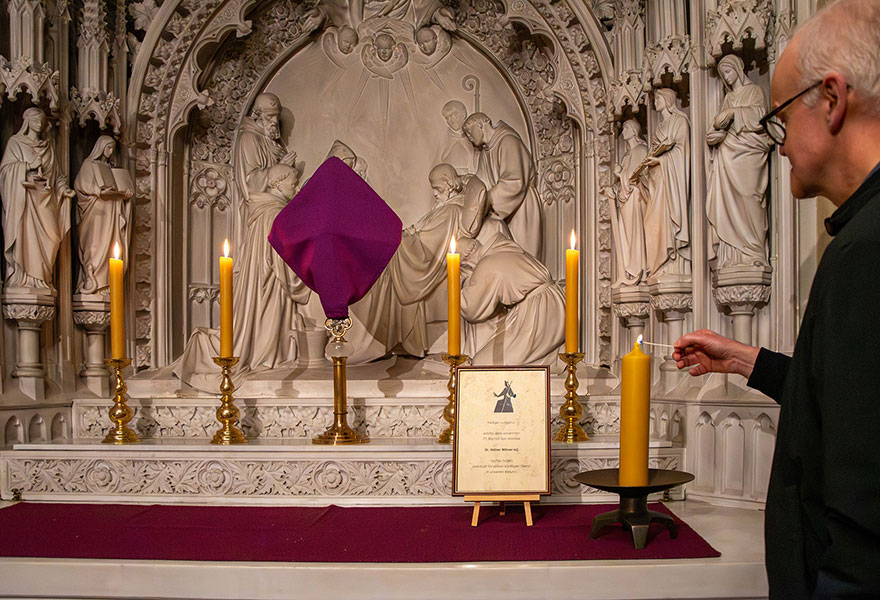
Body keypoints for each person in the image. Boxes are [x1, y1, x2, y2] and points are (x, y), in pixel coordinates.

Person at [673, 1, 880, 597]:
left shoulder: (868, 253)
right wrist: (742, 360)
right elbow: (844, 403)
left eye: (782, 117)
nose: (777, 143)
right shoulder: (861, 236)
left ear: (834, 99)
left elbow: (866, 516)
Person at [706, 54, 774, 269]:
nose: (727, 77)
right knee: (728, 202)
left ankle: (755, 250)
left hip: (748, 154)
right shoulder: (728, 97)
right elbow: (720, 126)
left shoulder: (755, 90)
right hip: (727, 155)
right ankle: (732, 255)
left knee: (749, 196)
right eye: (723, 74)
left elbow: (761, 116)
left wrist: (734, 113)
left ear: (738, 69)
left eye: (728, 71)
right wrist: (715, 136)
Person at [458, 233, 564, 365]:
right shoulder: (504, 249)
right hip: (552, 302)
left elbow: (472, 309)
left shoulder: (488, 264)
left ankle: (556, 359)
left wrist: (460, 283)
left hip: (540, 314)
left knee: (483, 364)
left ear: (466, 262)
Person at [0, 107, 75, 289]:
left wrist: (64, 190)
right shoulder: (15, 143)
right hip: (25, 201)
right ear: (27, 122)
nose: (39, 124)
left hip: (46, 200)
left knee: (53, 236)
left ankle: (43, 279)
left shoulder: (47, 147)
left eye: (41, 120)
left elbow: (57, 176)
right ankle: (23, 279)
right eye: (35, 120)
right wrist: (26, 166)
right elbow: (5, 171)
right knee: (25, 237)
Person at [463, 112, 544, 260]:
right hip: (501, 211)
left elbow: (514, 181)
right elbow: (482, 182)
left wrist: (486, 202)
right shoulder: (486, 152)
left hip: (520, 206)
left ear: (481, 124)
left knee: (522, 258)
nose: (469, 137)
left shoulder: (508, 141)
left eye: (469, 131)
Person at [636, 88, 690, 278]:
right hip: (657, 181)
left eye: (657, 98)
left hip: (671, 183)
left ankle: (672, 262)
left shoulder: (680, 121)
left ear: (667, 100)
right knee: (652, 223)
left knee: (666, 222)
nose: (655, 102)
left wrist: (661, 160)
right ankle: (658, 264)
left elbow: (683, 153)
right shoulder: (659, 128)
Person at [74, 136, 133, 294]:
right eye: (107, 147)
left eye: (112, 148)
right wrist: (98, 191)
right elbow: (80, 185)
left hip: (112, 210)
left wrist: (125, 194)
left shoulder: (111, 168)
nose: (110, 151)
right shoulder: (89, 164)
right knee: (94, 245)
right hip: (96, 211)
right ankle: (92, 280)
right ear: (100, 147)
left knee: (111, 245)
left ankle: (105, 285)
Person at [234, 93, 296, 201]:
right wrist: (279, 169)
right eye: (270, 116)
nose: (275, 121)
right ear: (258, 115)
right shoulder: (249, 138)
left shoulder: (274, 142)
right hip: (261, 205)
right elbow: (249, 182)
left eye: (277, 116)